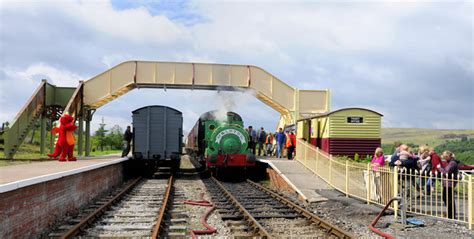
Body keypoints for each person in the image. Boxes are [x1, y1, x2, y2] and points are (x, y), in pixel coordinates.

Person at [437, 151, 460, 219]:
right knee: (445, 198)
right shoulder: (449, 162)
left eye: (445, 157)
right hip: (447, 183)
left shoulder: (452, 163)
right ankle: (451, 214)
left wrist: (439, 168)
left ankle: (451, 216)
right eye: (444, 157)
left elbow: (446, 172)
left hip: (449, 183)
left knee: (449, 200)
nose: (444, 158)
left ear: (449, 156)